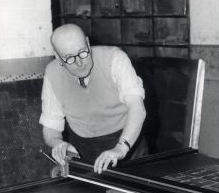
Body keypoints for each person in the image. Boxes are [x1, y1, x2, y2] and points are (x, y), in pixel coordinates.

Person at [39, 24, 146, 174]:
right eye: (69, 58)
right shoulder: (52, 73)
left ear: (88, 44)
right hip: (82, 149)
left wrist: (121, 148)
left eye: (83, 52)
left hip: (127, 143)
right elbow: (51, 127)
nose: (79, 63)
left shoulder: (114, 58)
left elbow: (137, 109)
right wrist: (58, 143)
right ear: (58, 57)